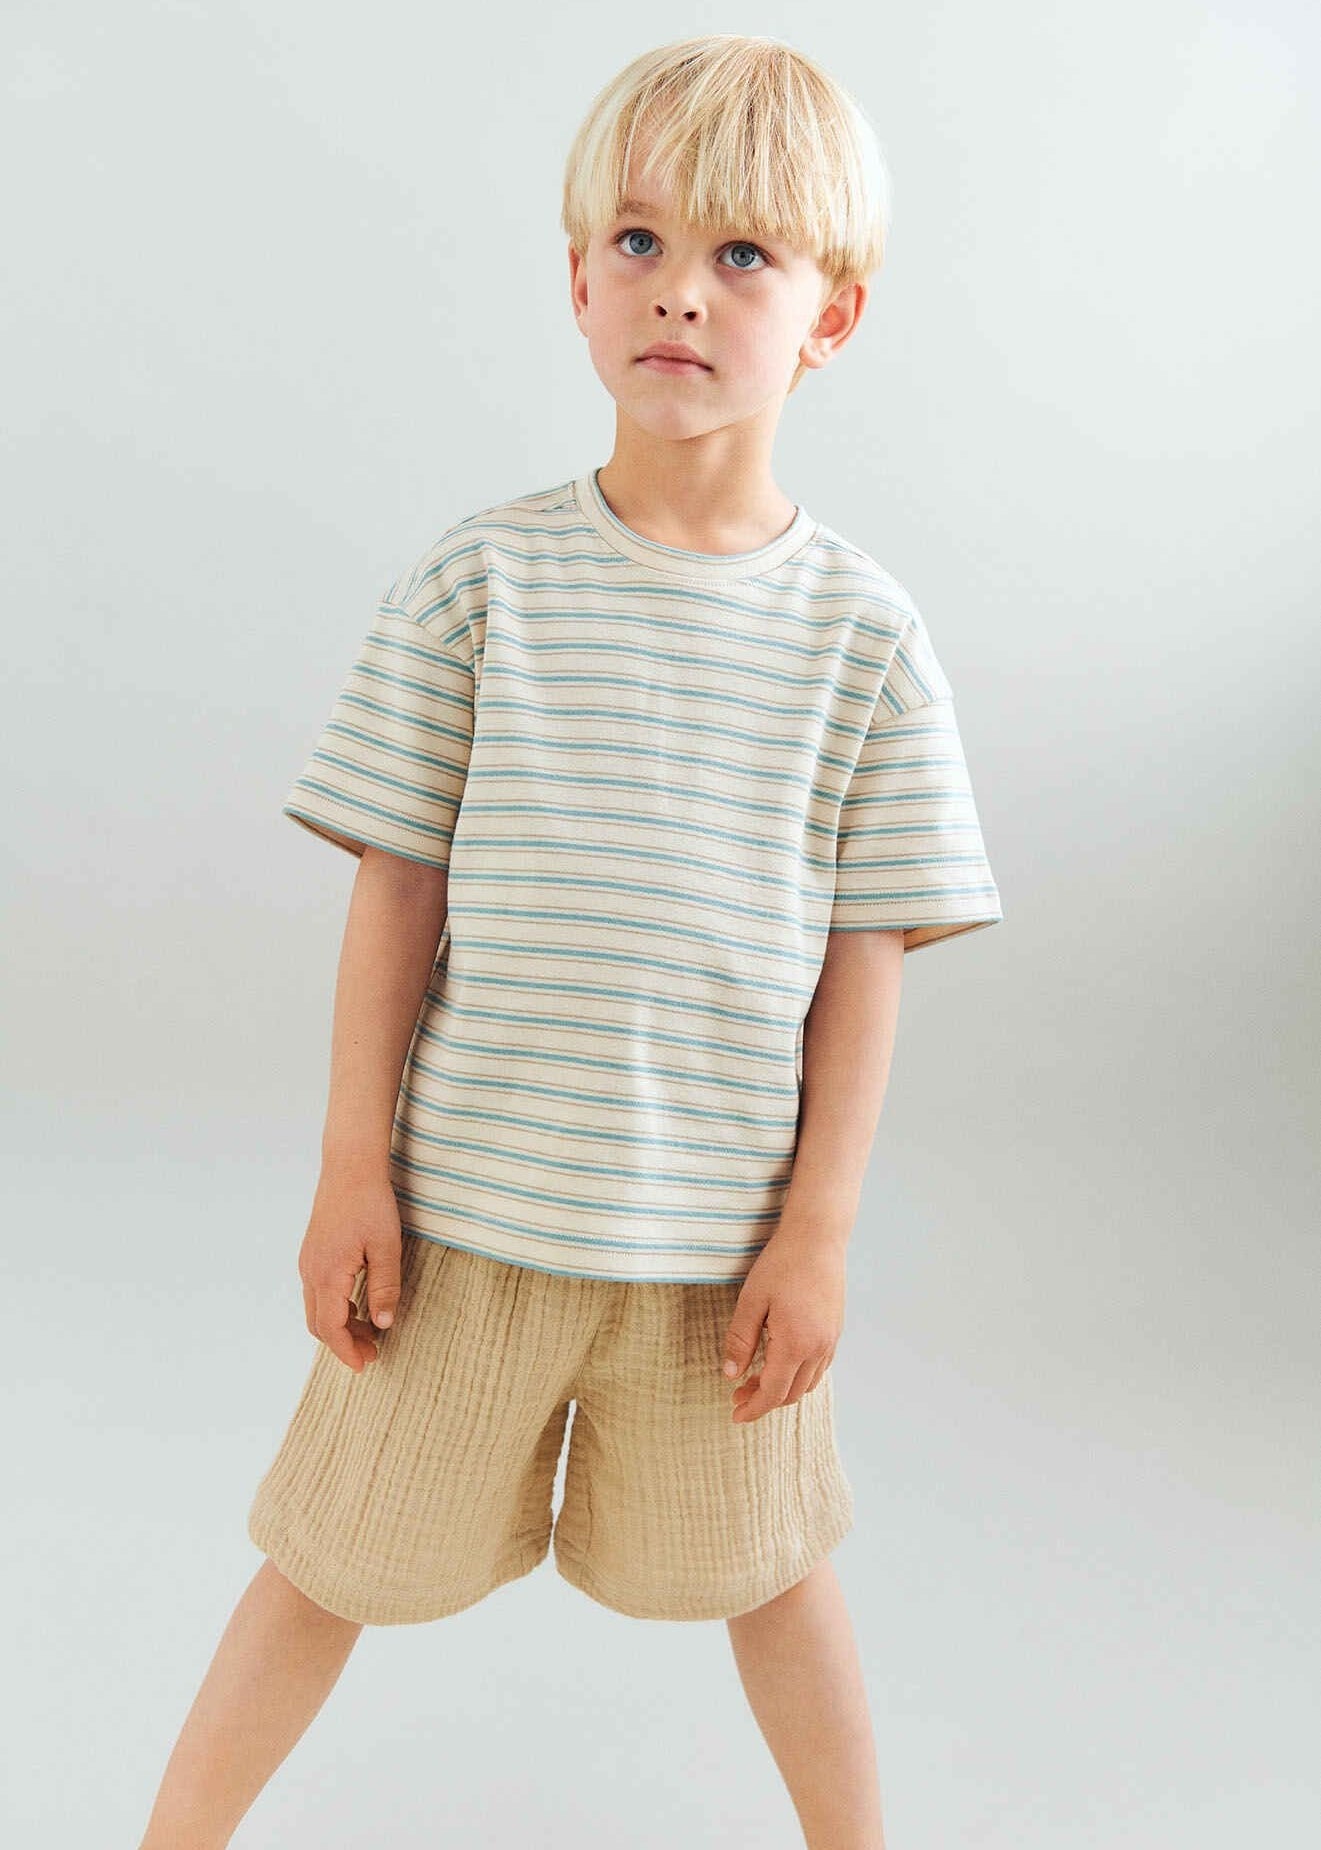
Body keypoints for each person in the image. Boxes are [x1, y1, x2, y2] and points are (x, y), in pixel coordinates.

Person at [138, 33, 1002, 1850]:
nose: (678, 287)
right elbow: (396, 888)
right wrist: (349, 1167)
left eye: (742, 255)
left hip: (716, 1257)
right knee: (321, 1561)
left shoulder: (864, 638)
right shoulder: (483, 584)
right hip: (467, 1223)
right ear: (574, 279)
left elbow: (868, 959)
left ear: (830, 316)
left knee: (778, 1574)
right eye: (635, 239)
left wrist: (818, 1234)